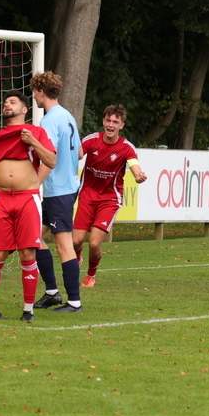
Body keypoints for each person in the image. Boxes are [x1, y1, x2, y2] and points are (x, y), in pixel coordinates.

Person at [0, 91, 56, 321]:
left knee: (27, 253)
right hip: (1, 199)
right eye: (5, 103)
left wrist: (33, 142)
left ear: (25, 109)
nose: (7, 105)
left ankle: (28, 311)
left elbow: (51, 161)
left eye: (12, 102)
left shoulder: (36, 132)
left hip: (27, 198)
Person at [71, 105, 146, 286]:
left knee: (94, 243)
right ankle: (78, 257)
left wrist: (138, 175)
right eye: (108, 121)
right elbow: (78, 154)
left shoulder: (126, 147)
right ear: (103, 121)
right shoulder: (92, 139)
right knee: (75, 241)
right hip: (87, 196)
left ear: (121, 125)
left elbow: (134, 165)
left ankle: (90, 275)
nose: (111, 125)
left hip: (109, 200)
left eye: (115, 122)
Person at [29, 72, 84, 313]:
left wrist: (33, 185)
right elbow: (79, 153)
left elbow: (49, 157)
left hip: (59, 191)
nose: (34, 97)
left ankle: (74, 302)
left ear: (41, 92)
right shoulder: (67, 116)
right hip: (63, 188)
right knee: (34, 238)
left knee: (63, 246)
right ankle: (52, 292)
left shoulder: (49, 119)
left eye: (34, 92)